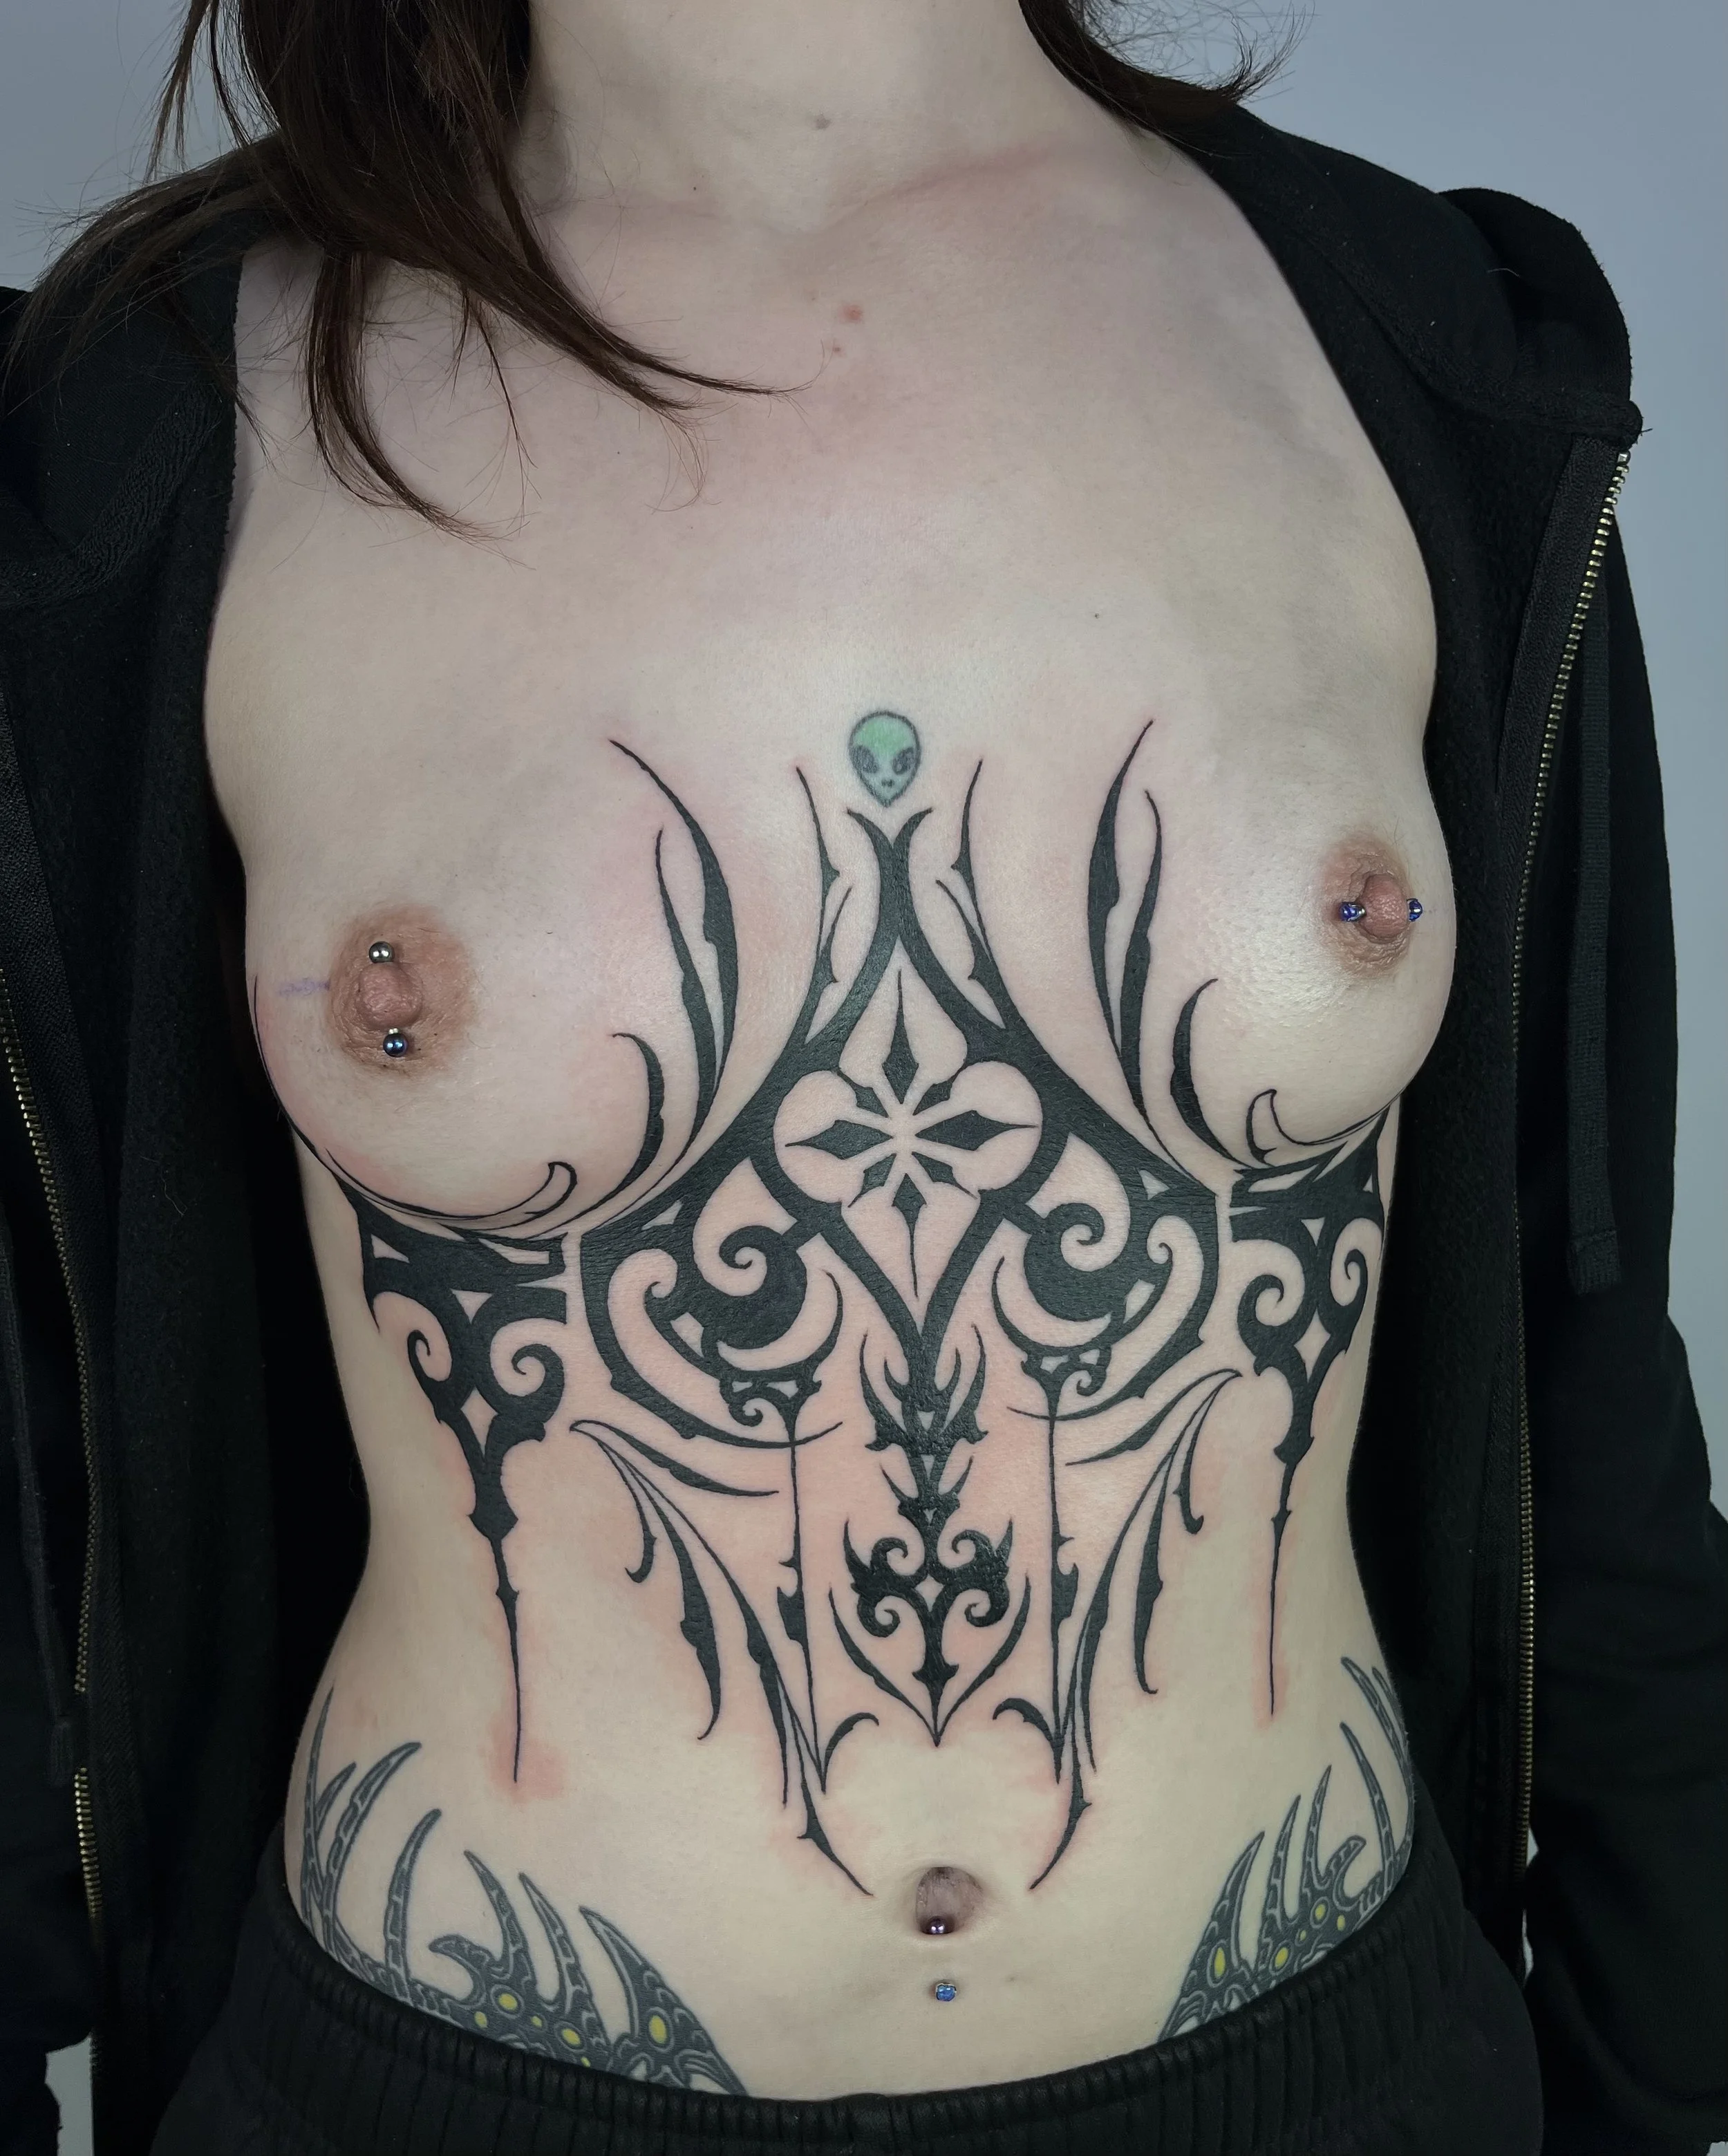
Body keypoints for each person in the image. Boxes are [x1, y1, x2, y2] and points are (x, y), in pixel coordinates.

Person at [0, 3, 1722, 2151]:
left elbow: (1580, 1348)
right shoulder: (138, 437)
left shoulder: (1419, 353)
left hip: (1336, 2075)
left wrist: (1653, 2075)